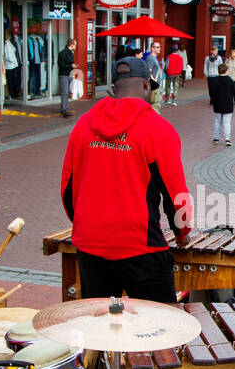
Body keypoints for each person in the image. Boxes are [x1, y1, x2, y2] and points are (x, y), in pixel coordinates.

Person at [61, 55, 192, 301]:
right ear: (146, 85)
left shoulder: (82, 125)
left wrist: (82, 225)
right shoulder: (159, 129)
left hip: (90, 247)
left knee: (100, 329)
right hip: (140, 248)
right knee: (159, 331)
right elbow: (176, 195)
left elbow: (67, 186)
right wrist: (182, 232)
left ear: (113, 89)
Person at [208, 61, 235, 146]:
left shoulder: (214, 80)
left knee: (217, 121)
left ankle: (216, 138)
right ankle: (227, 139)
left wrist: (213, 99)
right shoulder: (230, 80)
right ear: (226, 71)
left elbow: (212, 93)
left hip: (218, 103)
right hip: (228, 103)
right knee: (227, 122)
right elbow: (234, 91)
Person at [57, 37, 77, 117]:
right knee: (65, 92)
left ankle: (64, 108)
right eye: (75, 45)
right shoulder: (63, 53)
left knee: (67, 92)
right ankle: (64, 109)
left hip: (68, 74)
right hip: (64, 74)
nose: (75, 47)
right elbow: (61, 64)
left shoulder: (69, 53)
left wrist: (72, 66)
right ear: (71, 45)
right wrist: (71, 66)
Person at [164, 42, 185, 107]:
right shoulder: (180, 58)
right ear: (176, 50)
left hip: (170, 73)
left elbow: (166, 66)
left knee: (168, 86)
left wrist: (165, 70)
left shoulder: (169, 57)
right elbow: (182, 66)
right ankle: (174, 100)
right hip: (177, 74)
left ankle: (168, 99)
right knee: (175, 86)